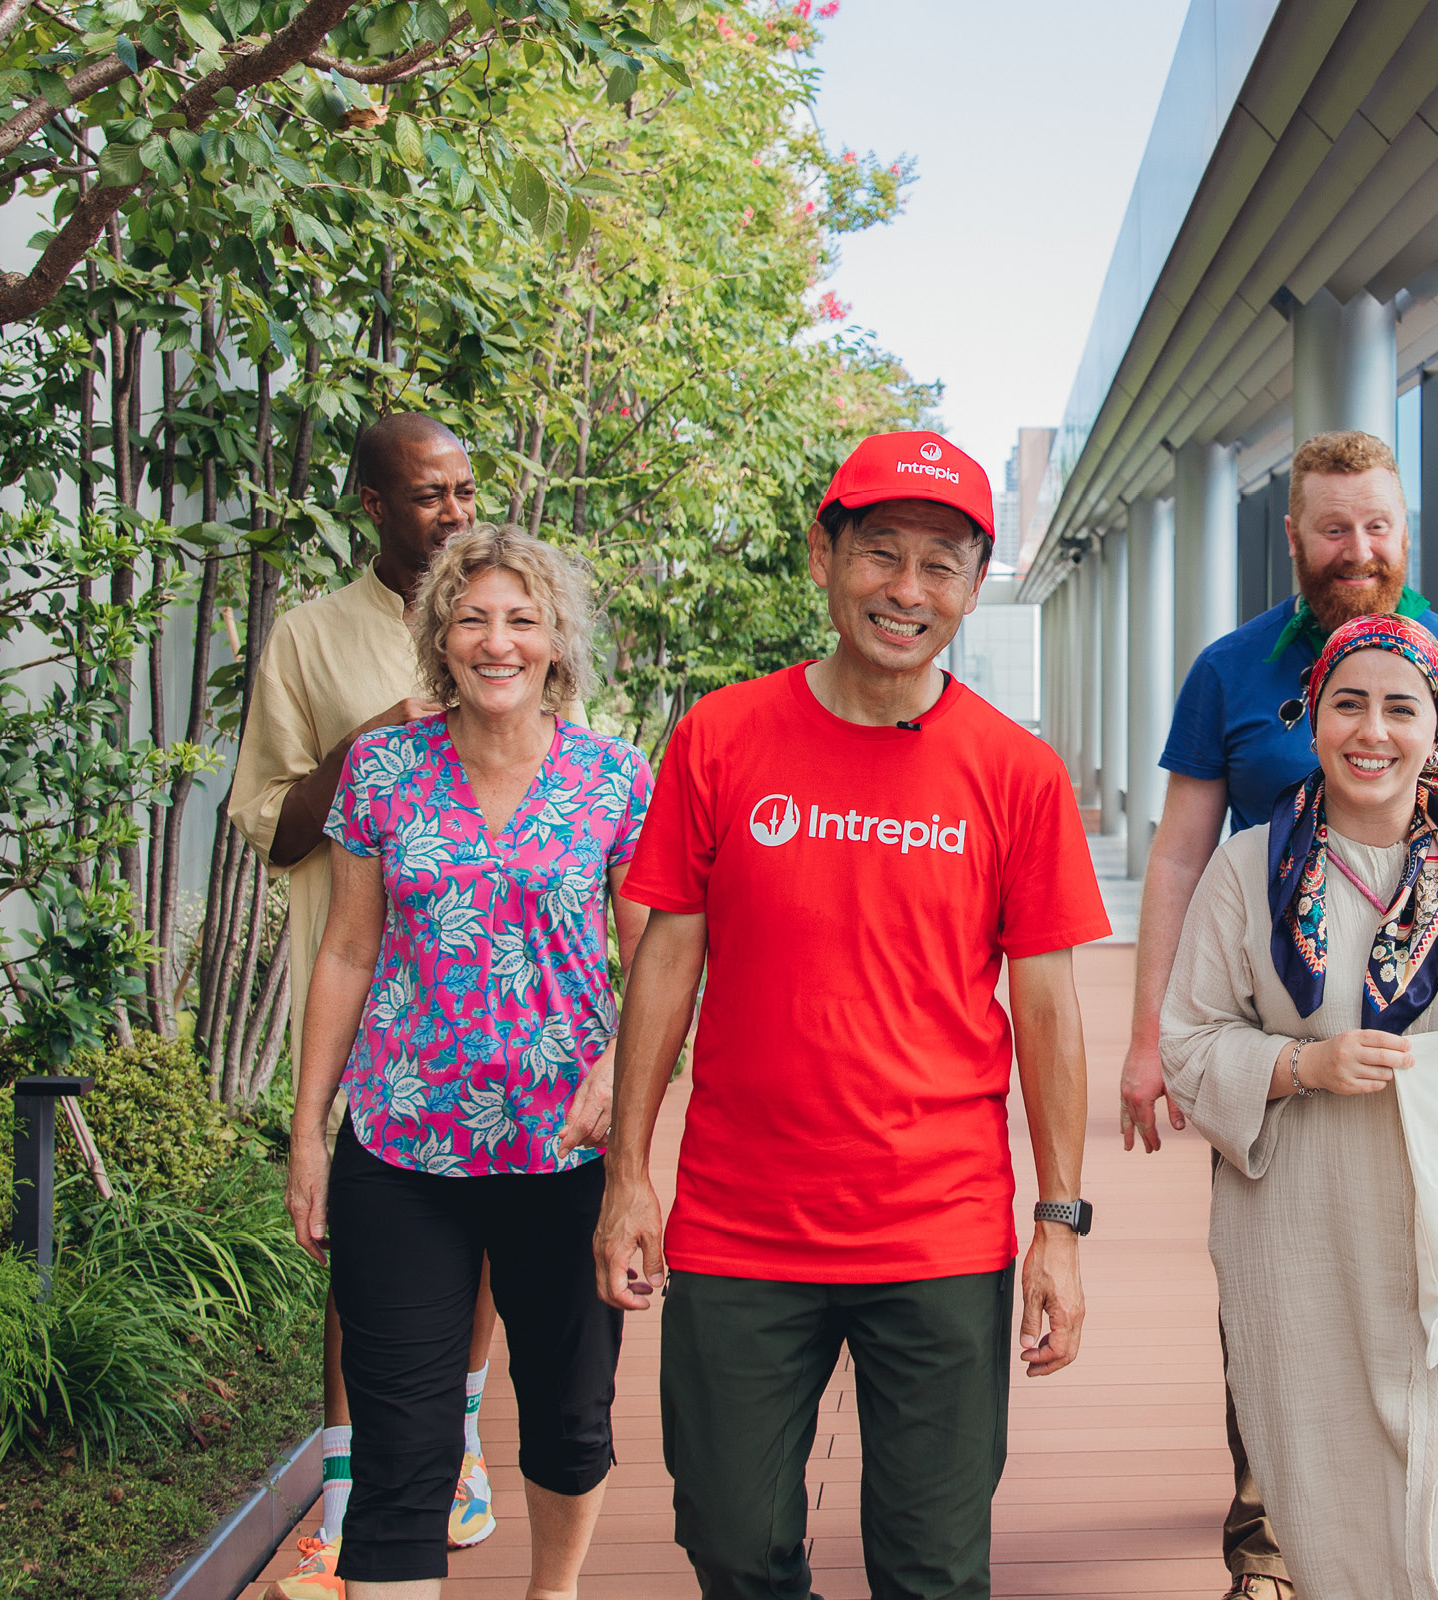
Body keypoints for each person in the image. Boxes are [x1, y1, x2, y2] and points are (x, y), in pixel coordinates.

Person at [592, 430, 1110, 1600]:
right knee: (730, 1543)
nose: (907, 591)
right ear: (824, 555)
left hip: (938, 1225)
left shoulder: (1015, 772)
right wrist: (631, 1173)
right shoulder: (722, 735)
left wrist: (1060, 1225)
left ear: (975, 588)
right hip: (739, 1220)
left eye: (941, 565)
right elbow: (668, 953)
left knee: (932, 1568)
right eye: (881, 553)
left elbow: (1045, 1005)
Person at [1115, 428, 1438, 1600]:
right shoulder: (1229, 670)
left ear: (1402, 531)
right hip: (1290, 1067)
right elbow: (1178, 856)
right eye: (1332, 527)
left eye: (1378, 526)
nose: (1358, 548)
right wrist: (1154, 1042)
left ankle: (1437, 1555)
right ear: (1295, 536)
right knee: (1284, 1309)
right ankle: (1274, 1561)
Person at [1159, 614, 1438, 1599]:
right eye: (1348, 703)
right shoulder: (1247, 871)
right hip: (1315, 1245)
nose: (1373, 730)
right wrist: (1298, 1068)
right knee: (1339, 1522)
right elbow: (1187, 1042)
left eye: (1399, 707)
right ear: (1310, 721)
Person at [283, 521, 652, 1598]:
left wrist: (619, 1083)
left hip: (562, 1152)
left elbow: (658, 968)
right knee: (401, 1445)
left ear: (555, 643)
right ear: (440, 635)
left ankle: (554, 1588)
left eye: (521, 619)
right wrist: (310, 1134)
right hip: (402, 1148)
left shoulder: (611, 778)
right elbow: (348, 950)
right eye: (473, 617)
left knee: (570, 1417)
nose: (497, 640)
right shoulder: (385, 770)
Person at [227, 415, 505, 1594]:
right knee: (363, 1240)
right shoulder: (308, 638)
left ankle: (456, 1443)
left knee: (487, 1222)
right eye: (428, 494)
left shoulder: (504, 619)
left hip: (493, 993)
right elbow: (270, 824)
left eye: (464, 489)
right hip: (369, 989)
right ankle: (346, 1504)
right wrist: (372, 744)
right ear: (373, 506)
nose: (453, 512)